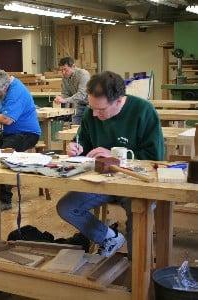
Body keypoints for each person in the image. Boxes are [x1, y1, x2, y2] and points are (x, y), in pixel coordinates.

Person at [56, 71, 164, 257]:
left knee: (138, 214)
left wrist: (115, 157)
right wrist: (76, 148)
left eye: (101, 110)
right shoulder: (93, 112)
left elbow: (155, 158)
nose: (95, 115)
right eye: (92, 108)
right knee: (66, 207)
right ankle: (109, 237)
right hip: (102, 181)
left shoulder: (143, 111)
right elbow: (83, 142)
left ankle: (137, 271)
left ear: (119, 101)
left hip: (134, 182)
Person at [0, 69, 41, 211]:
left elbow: (7, 120)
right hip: (12, 134)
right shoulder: (7, 88)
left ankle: (4, 199)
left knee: (4, 156)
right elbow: (6, 107)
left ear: (5, 87)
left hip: (27, 133)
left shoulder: (16, 92)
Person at [54, 57, 90, 125]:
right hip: (79, 104)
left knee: (88, 125)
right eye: (61, 70)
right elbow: (66, 93)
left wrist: (65, 100)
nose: (63, 72)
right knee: (75, 124)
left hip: (91, 104)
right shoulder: (65, 78)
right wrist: (60, 98)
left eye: (65, 69)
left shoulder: (83, 74)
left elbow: (81, 95)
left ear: (73, 66)